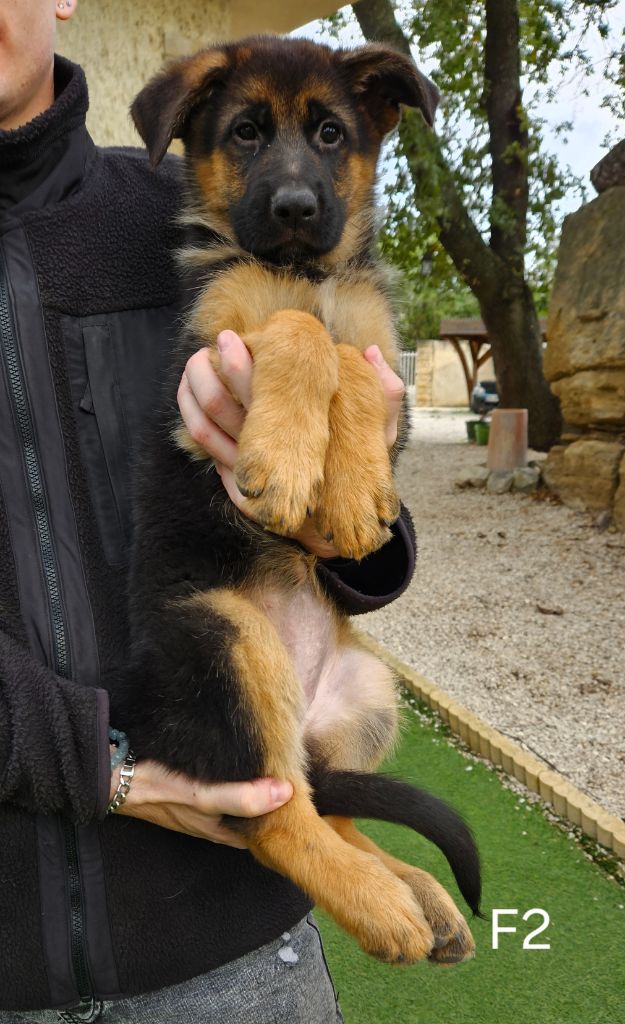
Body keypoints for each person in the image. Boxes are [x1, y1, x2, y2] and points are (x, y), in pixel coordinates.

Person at [0, 2, 415, 1021]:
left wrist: (349, 530)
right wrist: (106, 766)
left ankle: (329, 831)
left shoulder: (182, 217)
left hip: (233, 954)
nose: (286, 174)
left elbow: (362, 547)